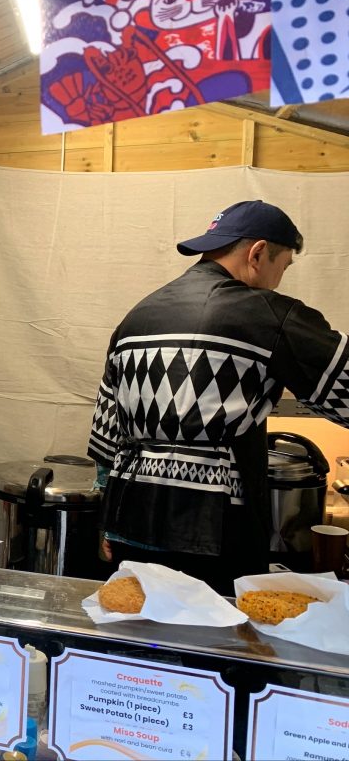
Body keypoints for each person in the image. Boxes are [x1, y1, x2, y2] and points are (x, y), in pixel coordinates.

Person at [88, 200, 349, 594]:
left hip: (130, 517)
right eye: (285, 265)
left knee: (139, 631)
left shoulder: (138, 315)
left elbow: (106, 430)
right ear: (258, 253)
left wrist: (105, 518)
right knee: (216, 640)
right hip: (215, 527)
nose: (280, 278)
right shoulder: (267, 315)